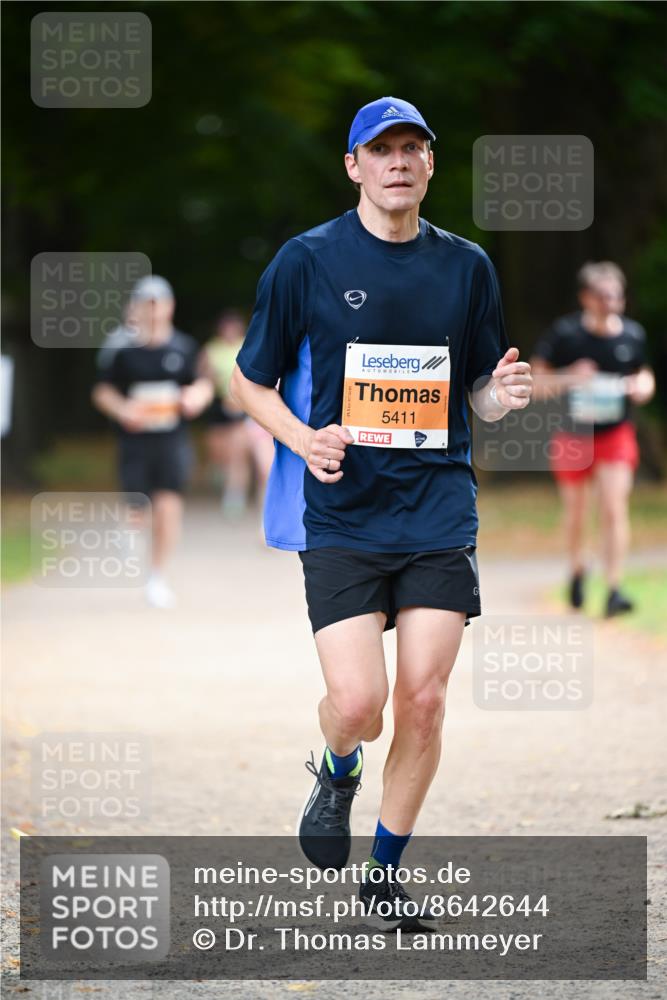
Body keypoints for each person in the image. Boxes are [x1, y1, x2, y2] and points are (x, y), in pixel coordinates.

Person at [230, 97, 532, 930]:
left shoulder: (467, 266)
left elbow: (476, 388)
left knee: (423, 700)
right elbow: (247, 381)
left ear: (430, 164)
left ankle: (384, 872)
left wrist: (500, 397)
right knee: (360, 705)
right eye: (380, 149)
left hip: (437, 506)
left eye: (411, 148)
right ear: (353, 166)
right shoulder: (305, 260)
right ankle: (337, 767)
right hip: (343, 511)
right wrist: (303, 439)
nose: (396, 162)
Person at [530, 261, 655, 617]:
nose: (611, 303)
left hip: (616, 434)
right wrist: (570, 376)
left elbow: (644, 374)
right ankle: (577, 570)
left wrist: (642, 386)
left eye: (617, 296)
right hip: (573, 435)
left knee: (614, 507)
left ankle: (614, 588)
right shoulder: (565, 335)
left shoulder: (631, 335)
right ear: (586, 297)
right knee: (577, 512)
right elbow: (536, 384)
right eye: (603, 296)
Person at [92, 275, 213, 608]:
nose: (154, 310)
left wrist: (196, 397)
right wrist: (122, 408)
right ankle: (129, 531)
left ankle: (157, 577)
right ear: (137, 307)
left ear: (170, 306)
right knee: (137, 509)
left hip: (172, 441)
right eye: (147, 303)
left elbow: (203, 384)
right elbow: (103, 391)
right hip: (134, 443)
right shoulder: (122, 351)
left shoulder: (184, 348)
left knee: (168, 507)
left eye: (159, 303)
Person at [200, 310, 276, 522]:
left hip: (245, 406)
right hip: (221, 404)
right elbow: (204, 376)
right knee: (219, 450)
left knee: (242, 453)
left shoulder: (248, 345)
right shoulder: (212, 349)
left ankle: (237, 497)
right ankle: (224, 477)